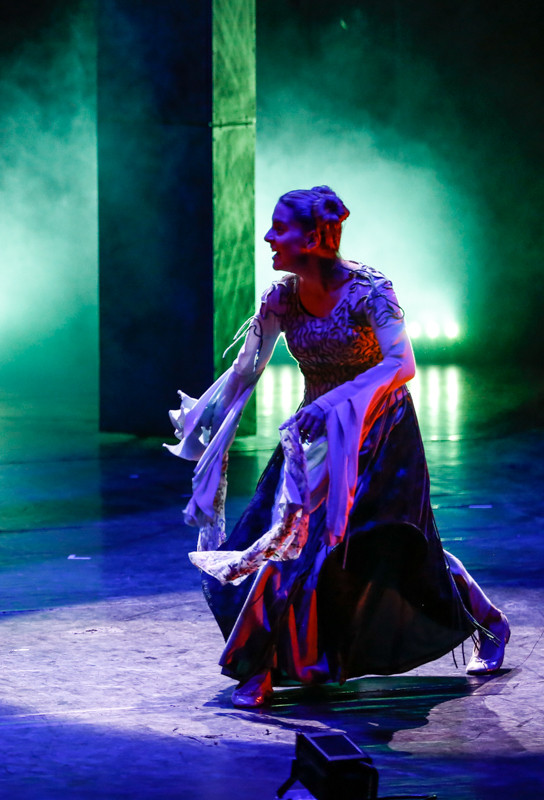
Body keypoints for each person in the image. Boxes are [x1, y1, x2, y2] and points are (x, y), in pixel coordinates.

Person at [165, 185, 510, 708]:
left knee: (388, 550)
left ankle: (488, 621)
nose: (268, 237)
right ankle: (258, 667)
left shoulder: (370, 292)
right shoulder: (282, 298)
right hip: (314, 440)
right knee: (286, 540)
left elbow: (402, 365)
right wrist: (204, 421)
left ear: (314, 238)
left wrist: (332, 404)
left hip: (380, 435)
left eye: (280, 228)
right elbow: (246, 367)